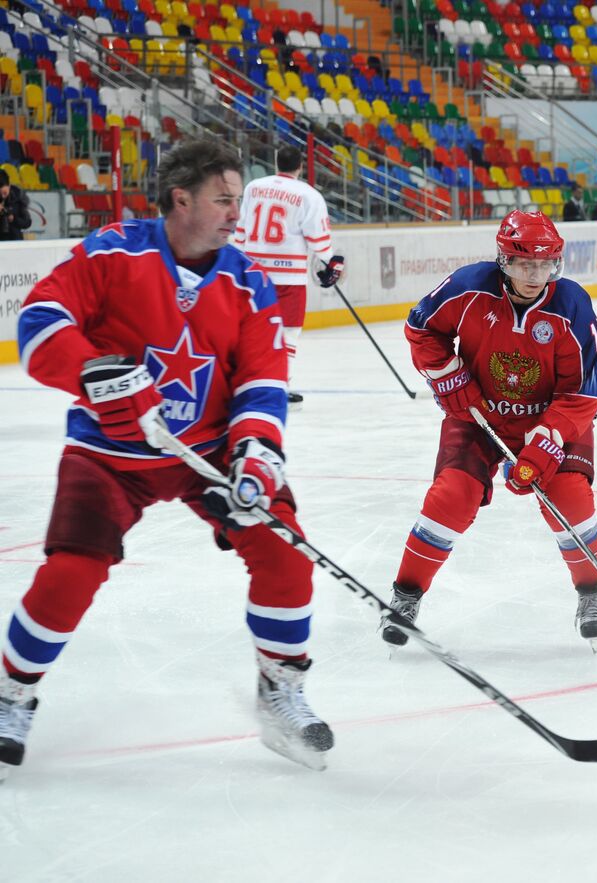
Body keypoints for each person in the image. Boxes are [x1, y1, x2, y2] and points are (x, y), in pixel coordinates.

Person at [0, 139, 334, 778]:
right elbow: (40, 322)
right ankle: (13, 692)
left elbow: (262, 377)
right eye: (224, 199)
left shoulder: (247, 280)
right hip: (108, 452)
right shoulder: (113, 252)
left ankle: (279, 687)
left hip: (206, 454)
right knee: (71, 572)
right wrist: (93, 372)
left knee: (286, 554)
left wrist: (257, 452)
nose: (238, 211)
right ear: (181, 199)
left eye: (239, 197)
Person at [382, 211, 597, 650]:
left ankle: (592, 593)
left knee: (570, 499)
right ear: (504, 261)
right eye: (526, 264)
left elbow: (584, 393)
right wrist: (448, 374)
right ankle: (406, 596)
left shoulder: (573, 307)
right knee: (451, 497)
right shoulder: (468, 287)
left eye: (546, 265)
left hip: (553, 420)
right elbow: (420, 328)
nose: (536, 275)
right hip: (479, 413)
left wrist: (544, 443)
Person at [232, 145, 343, 407]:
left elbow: (241, 230)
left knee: (251, 330)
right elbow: (319, 241)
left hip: (254, 272)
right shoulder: (308, 194)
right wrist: (332, 263)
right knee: (288, 334)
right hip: (289, 277)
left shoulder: (253, 187)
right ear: (301, 166)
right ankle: (279, 386)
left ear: (276, 162)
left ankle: (245, 383)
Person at [0, 168, 32, 241]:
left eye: (5, 193)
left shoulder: (18, 198)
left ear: (9, 186)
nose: (2, 196)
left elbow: (27, 222)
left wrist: (13, 219)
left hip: (15, 241)